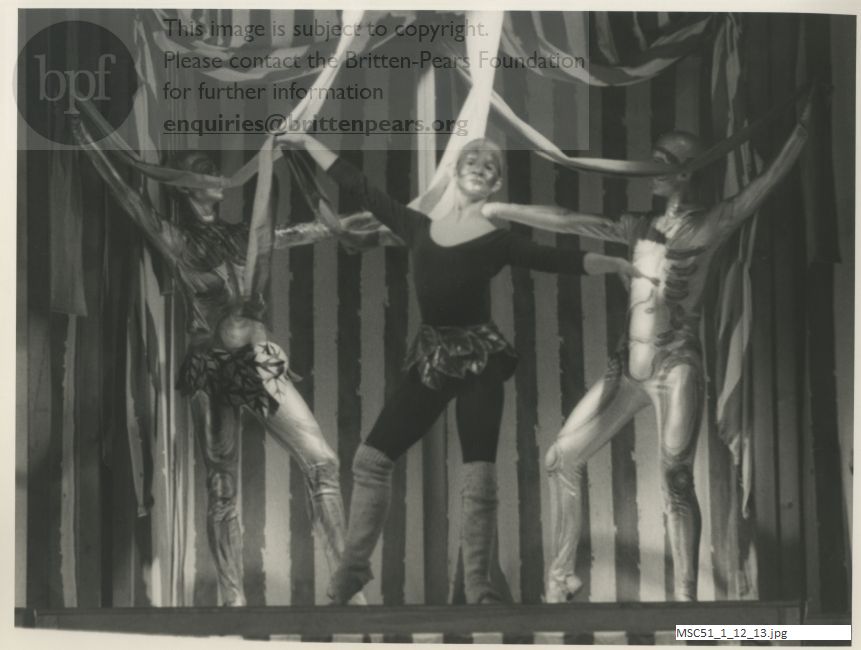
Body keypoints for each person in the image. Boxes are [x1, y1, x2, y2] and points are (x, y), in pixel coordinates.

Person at [277, 132, 649, 605]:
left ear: (494, 185)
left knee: (478, 470)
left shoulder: (496, 239)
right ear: (456, 168)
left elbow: (555, 258)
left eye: (490, 166)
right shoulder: (415, 225)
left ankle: (477, 585)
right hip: (433, 359)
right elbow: (359, 185)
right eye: (472, 160)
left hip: (480, 361)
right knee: (370, 460)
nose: (480, 167)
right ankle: (353, 567)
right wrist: (307, 140)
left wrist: (611, 261)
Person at [482, 97, 811, 602]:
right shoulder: (640, 225)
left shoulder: (712, 221)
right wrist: (501, 209)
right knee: (560, 457)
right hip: (628, 365)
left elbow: (762, 188)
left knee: (676, 477)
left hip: (675, 363)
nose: (652, 170)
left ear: (687, 173)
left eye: (663, 162)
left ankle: (684, 601)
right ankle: (560, 578)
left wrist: (803, 128)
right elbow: (570, 219)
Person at [72, 121, 377, 606]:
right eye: (202, 170)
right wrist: (87, 136)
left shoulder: (243, 236)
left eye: (213, 168)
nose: (216, 175)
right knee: (222, 487)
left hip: (256, 363)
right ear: (183, 186)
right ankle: (234, 602)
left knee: (321, 461)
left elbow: (313, 230)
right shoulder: (177, 238)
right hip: (212, 369)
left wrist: (380, 222)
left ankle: (346, 584)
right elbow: (126, 193)